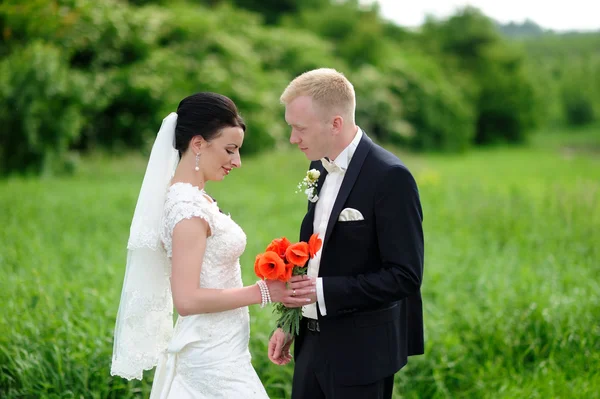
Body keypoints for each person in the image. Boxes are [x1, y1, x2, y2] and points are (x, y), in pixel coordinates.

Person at [111, 92, 309, 398]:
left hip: (224, 349)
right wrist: (265, 291)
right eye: (230, 150)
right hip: (210, 357)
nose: (237, 161)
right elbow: (186, 300)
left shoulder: (194, 198)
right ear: (198, 144)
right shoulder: (186, 208)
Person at [267, 68, 425, 399]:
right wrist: (290, 321)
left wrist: (322, 291)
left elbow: (405, 276)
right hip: (310, 347)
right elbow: (316, 254)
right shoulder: (317, 167)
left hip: (362, 355)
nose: (293, 139)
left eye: (300, 129)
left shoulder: (390, 177)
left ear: (335, 123)